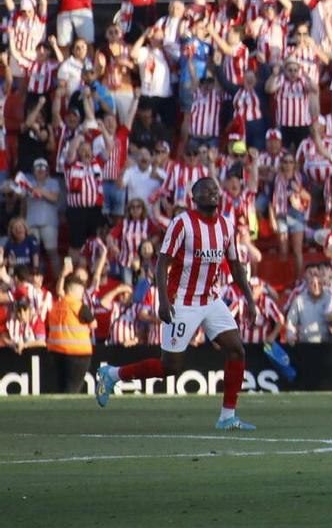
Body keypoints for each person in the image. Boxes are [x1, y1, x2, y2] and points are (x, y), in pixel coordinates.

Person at [95, 177, 261, 430]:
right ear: (194, 198)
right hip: (181, 301)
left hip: (211, 298)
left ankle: (227, 416)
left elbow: (236, 266)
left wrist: (249, 298)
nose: (213, 193)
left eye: (215, 190)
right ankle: (112, 374)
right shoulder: (182, 223)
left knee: (237, 349)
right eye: (206, 191)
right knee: (169, 367)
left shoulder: (226, 225)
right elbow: (162, 263)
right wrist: (163, 300)